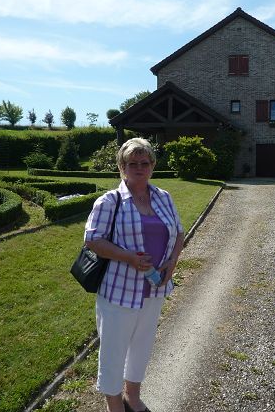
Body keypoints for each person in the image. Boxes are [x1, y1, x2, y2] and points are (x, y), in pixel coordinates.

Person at [84, 138, 184, 412]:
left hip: (154, 288)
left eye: (145, 162)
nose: (139, 168)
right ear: (122, 167)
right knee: (113, 352)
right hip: (119, 290)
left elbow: (179, 232)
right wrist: (129, 257)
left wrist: (172, 263)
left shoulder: (163, 197)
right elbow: (92, 240)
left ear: (152, 165)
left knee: (142, 346)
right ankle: (114, 404)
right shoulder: (110, 201)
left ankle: (133, 396)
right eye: (132, 163)